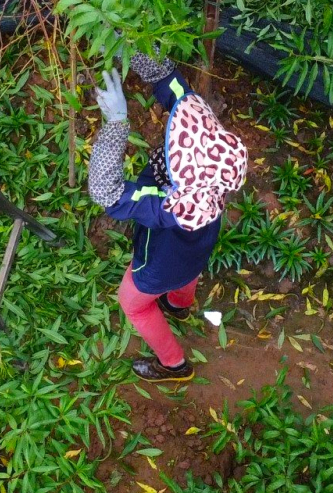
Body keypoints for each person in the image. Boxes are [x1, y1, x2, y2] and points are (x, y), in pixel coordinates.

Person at [88, 51, 249, 380]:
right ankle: (178, 306)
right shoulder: (210, 170)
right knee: (186, 276)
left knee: (133, 303)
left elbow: (108, 193)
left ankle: (174, 364)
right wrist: (132, 44)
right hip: (196, 250)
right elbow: (172, 85)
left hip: (161, 264)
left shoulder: (169, 207)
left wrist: (116, 125)